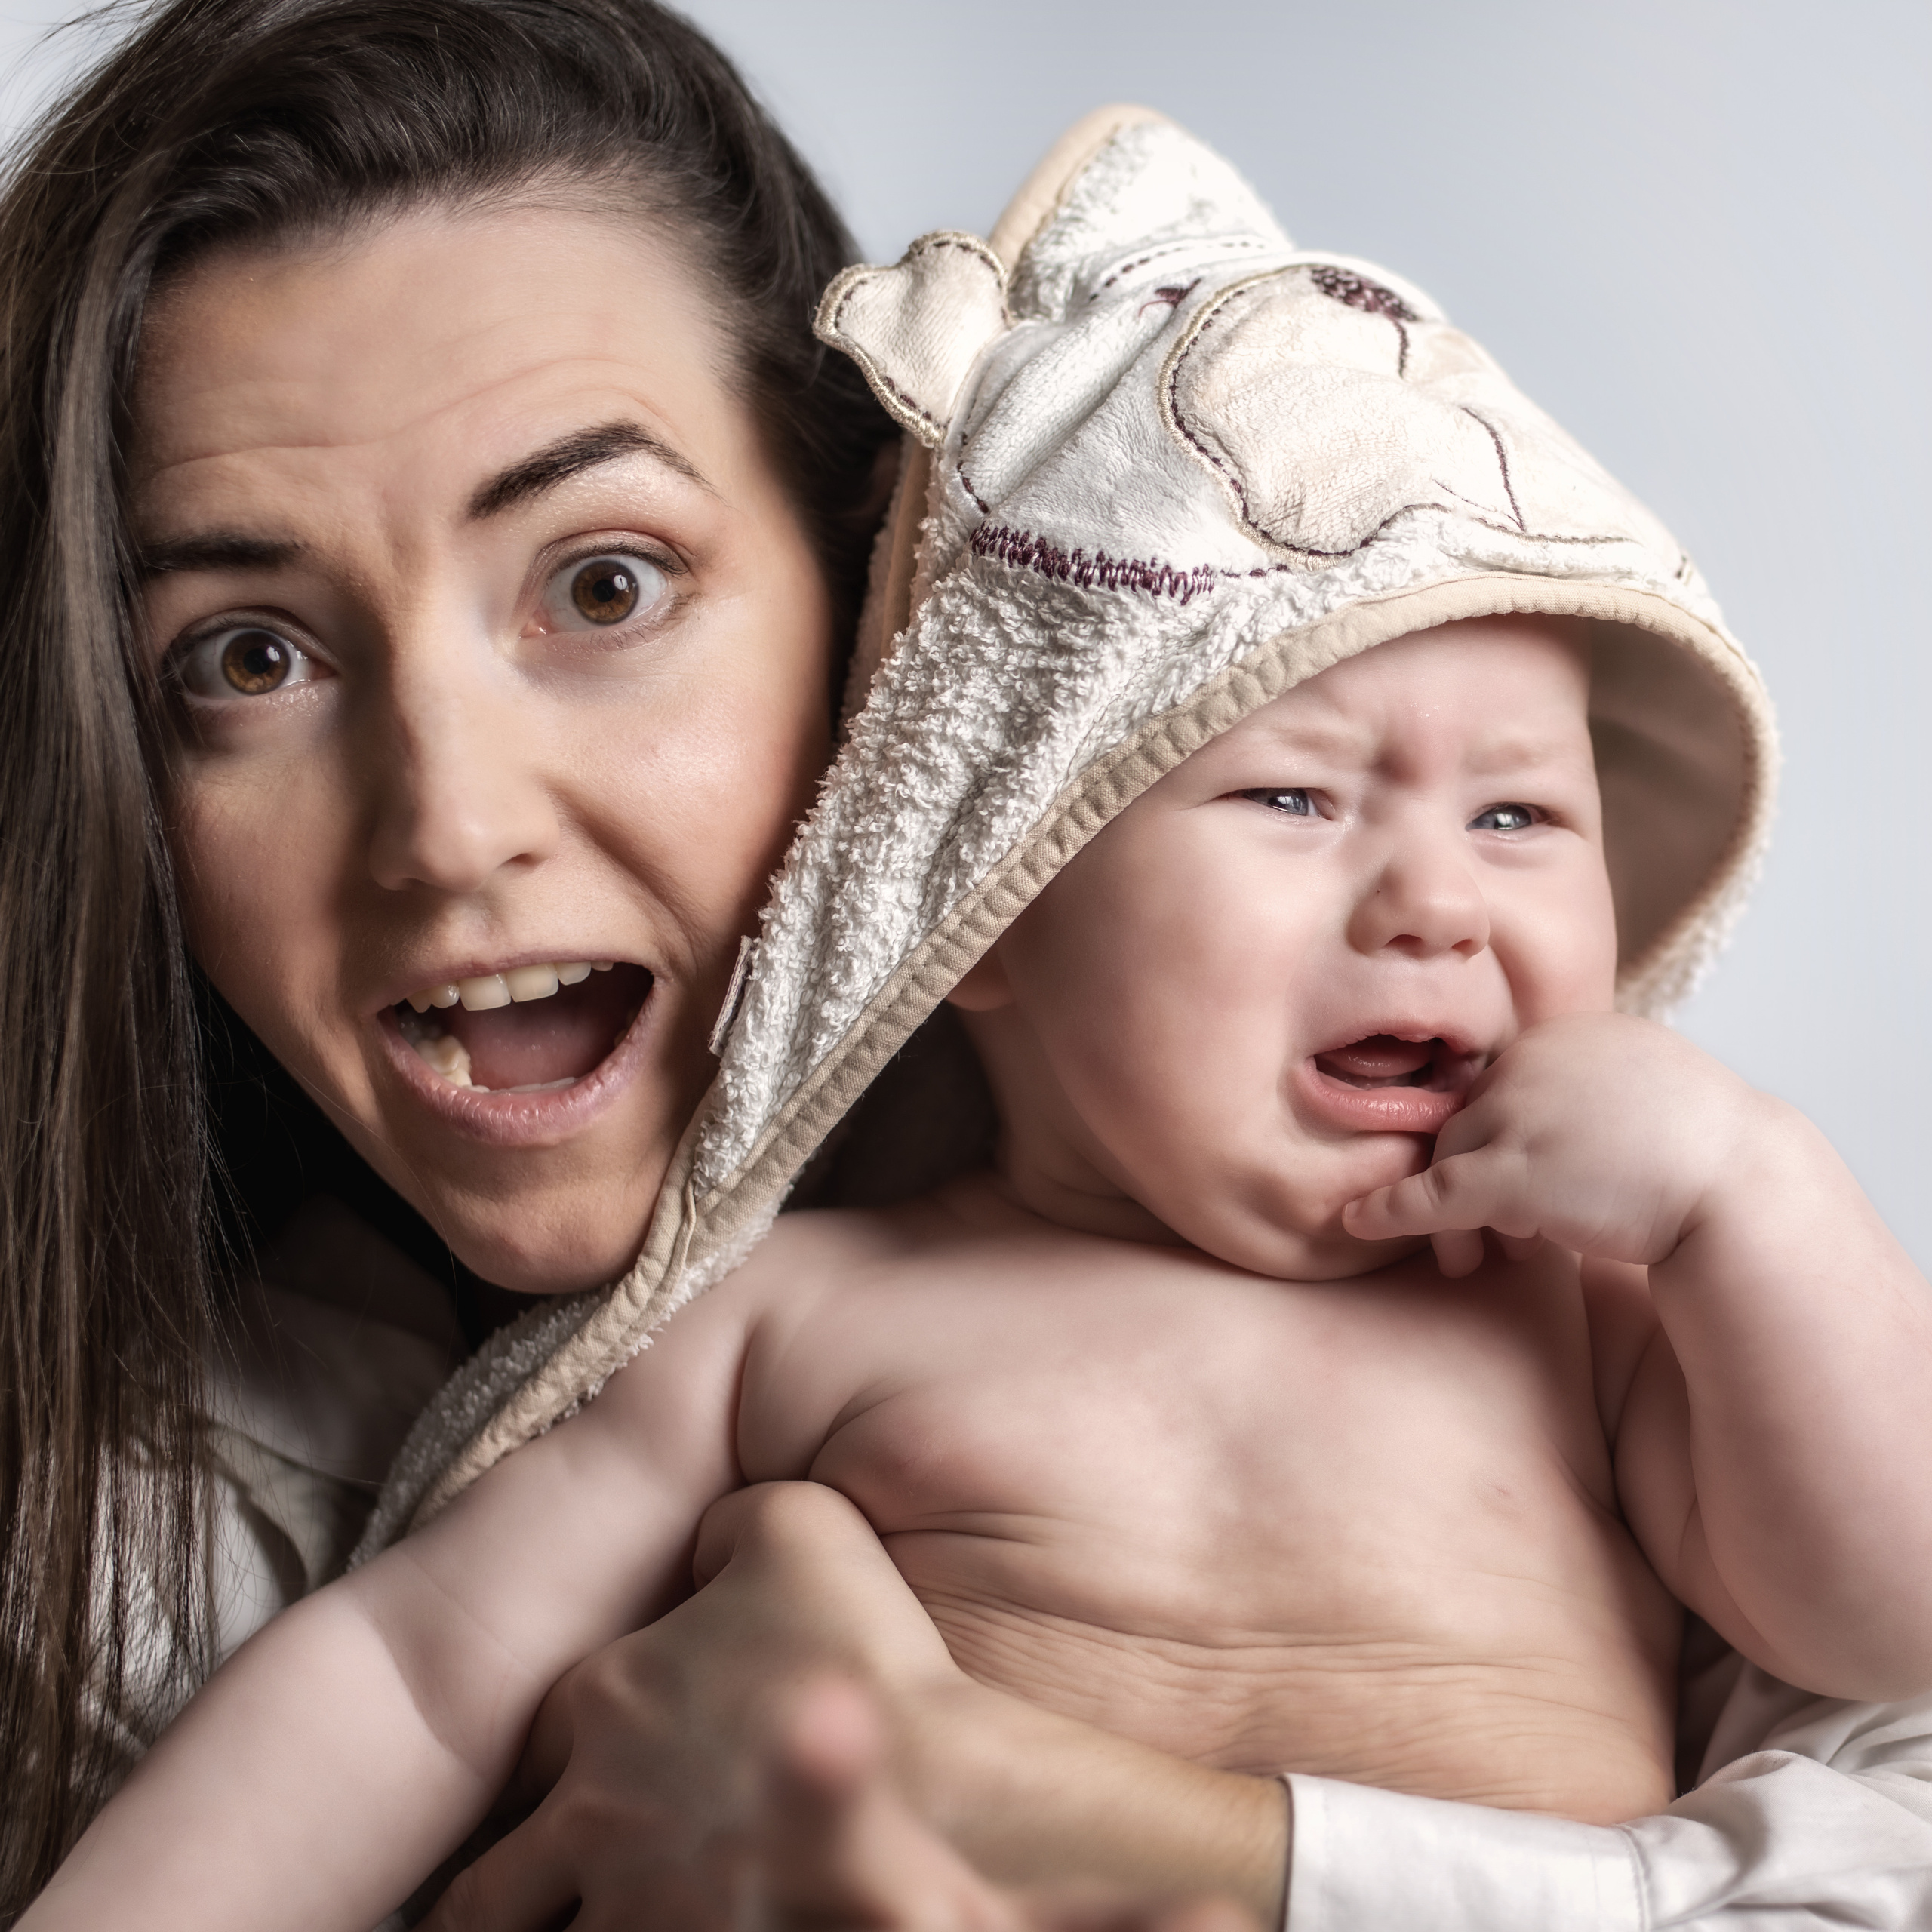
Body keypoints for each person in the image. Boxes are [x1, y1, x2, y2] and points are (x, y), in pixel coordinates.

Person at [25, 109, 1932, 1931]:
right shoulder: (794, 1316)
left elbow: (1881, 1623)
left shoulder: (1598, 1322)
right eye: (1290, 797)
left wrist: (1755, 1196)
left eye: (1520, 814)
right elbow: (415, 1676)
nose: (1432, 897)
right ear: (992, 897)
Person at [0, 0, 895, 1915]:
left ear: (880, 586)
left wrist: (1182, 1838)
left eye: (602, 583)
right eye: (248, 658)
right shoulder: (96, 1578)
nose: (445, 824)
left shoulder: (1493, 1246)